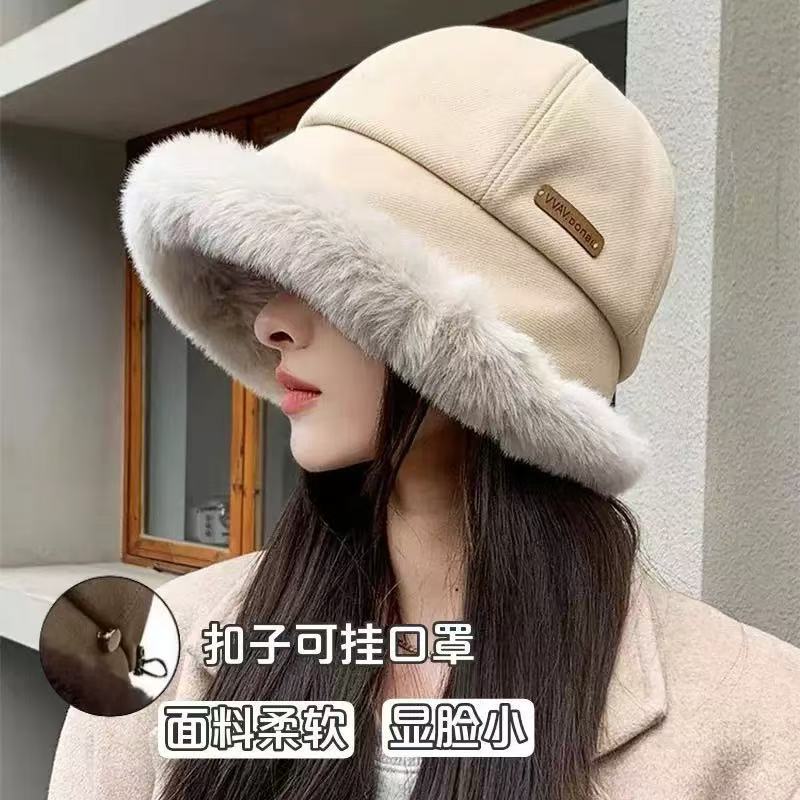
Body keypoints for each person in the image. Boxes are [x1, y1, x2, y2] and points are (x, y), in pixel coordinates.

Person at [48, 24, 800, 800]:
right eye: (275, 269)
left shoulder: (761, 723)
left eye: (328, 272)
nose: (269, 322)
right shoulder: (157, 653)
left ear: (490, 349)